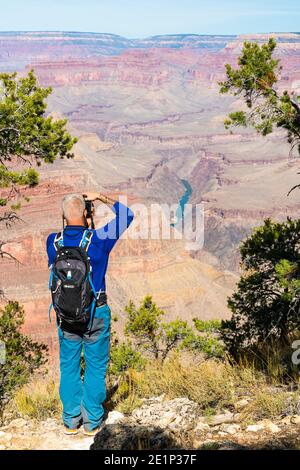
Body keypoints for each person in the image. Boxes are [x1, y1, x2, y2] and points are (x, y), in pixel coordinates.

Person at [46, 192, 134, 436]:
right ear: (86, 213)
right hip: (96, 313)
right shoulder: (98, 239)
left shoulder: (52, 242)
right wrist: (101, 197)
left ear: (64, 215)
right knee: (95, 366)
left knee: (69, 366)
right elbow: (127, 215)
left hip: (66, 316)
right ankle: (92, 421)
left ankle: (71, 420)